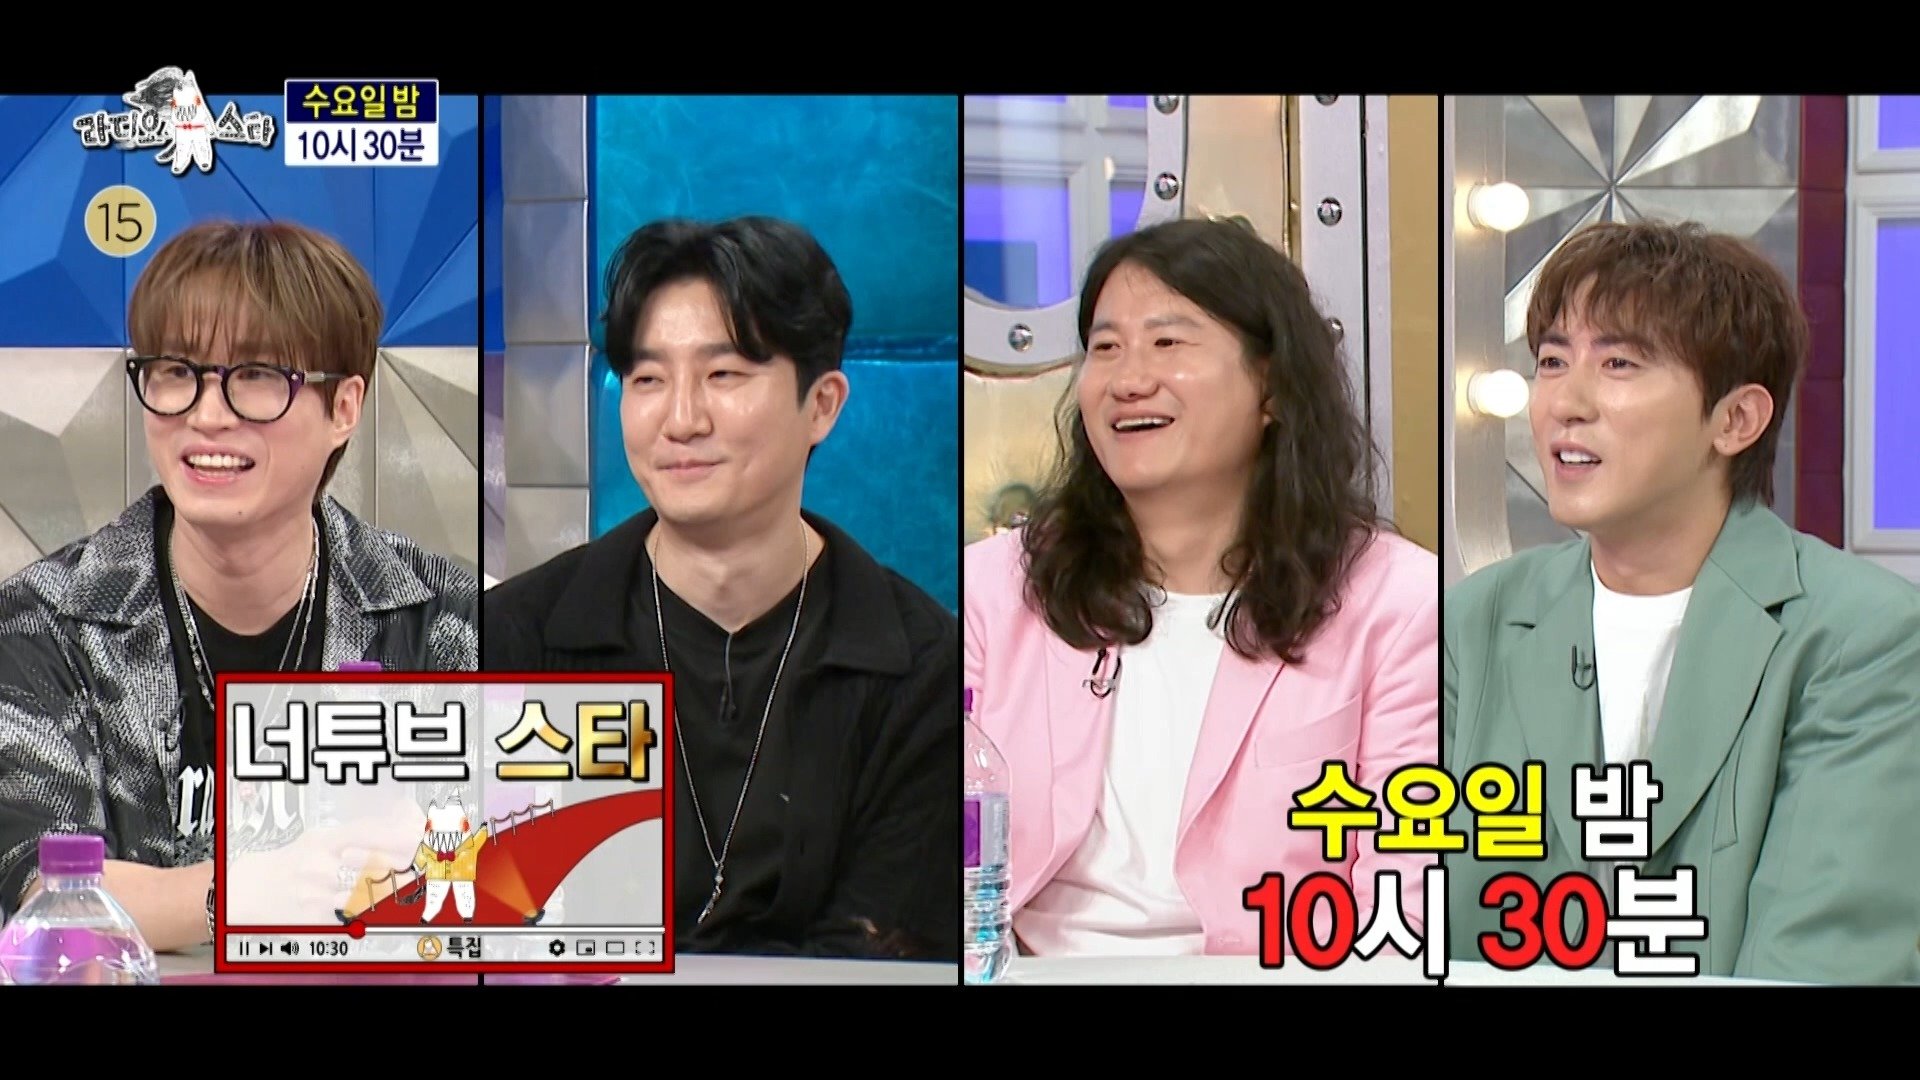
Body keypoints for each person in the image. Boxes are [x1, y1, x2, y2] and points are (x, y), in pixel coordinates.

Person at [1443, 220, 1920, 983]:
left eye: (1619, 363)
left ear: (1735, 420)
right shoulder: (1475, 623)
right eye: (1552, 361)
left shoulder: (1862, 638)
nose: (1565, 402)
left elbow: (1820, 957)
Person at [483, 216, 958, 962]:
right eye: (647, 379)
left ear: (822, 405)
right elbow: (486, 925)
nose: (680, 419)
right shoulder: (513, 639)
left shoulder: (920, 665)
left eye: (724, 375)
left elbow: (881, 957)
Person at [964, 217, 1440, 958]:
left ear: (1272, 387)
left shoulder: (1397, 602)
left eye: (1168, 343)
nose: (1129, 380)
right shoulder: (994, 589)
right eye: (1105, 348)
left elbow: (1400, 902)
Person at [0, 220, 478, 949]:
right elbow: (49, 892)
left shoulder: (446, 622)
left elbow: (505, 873)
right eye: (175, 372)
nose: (206, 415)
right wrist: (252, 891)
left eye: (256, 377)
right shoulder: (45, 622)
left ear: (344, 407)